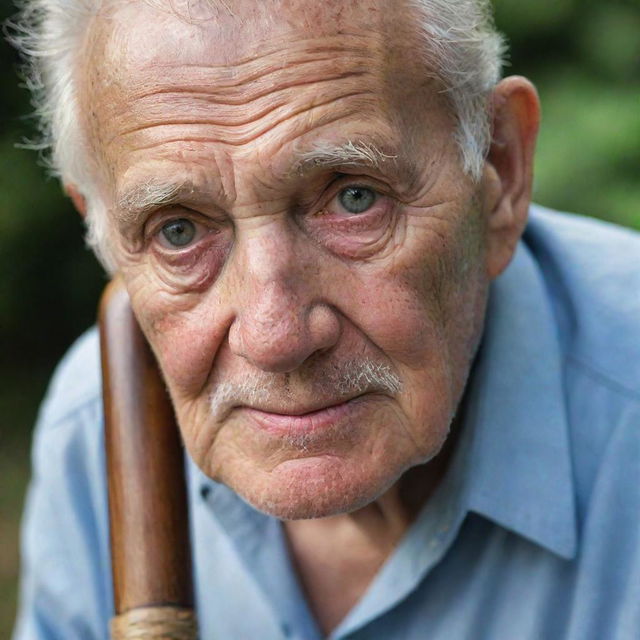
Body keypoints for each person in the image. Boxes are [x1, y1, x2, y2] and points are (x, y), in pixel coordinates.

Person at [10, 0, 640, 638]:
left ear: (499, 169)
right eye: (178, 231)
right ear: (101, 232)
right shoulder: (96, 428)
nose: (276, 335)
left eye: (352, 197)